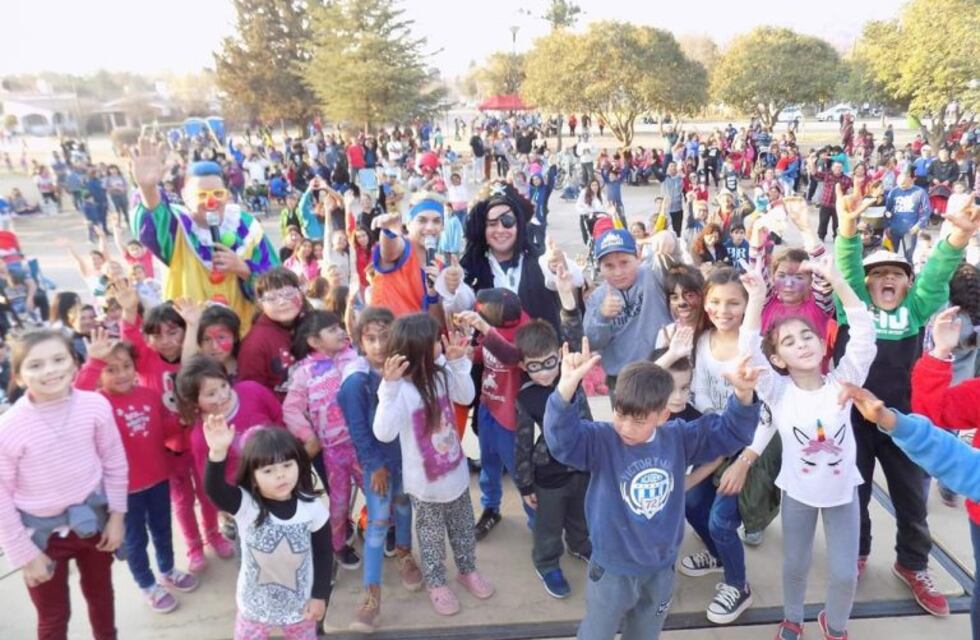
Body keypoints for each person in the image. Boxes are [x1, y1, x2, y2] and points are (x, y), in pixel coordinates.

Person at [543, 339, 763, 640]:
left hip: (660, 567)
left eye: (638, 421)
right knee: (598, 631)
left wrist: (743, 393)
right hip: (612, 568)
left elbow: (730, 433)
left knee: (646, 632)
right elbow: (562, 443)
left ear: (663, 415)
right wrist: (565, 390)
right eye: (620, 415)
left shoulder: (678, 438)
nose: (625, 428)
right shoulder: (602, 441)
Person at [833, 186, 980, 616]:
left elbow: (935, 277)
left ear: (907, 283)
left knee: (912, 501)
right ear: (866, 284)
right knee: (853, 496)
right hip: (855, 420)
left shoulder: (915, 311)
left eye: (897, 273)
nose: (888, 279)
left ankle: (912, 563)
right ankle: (858, 553)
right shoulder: (853, 310)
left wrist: (956, 239)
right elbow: (846, 268)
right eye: (878, 275)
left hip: (904, 425)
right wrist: (846, 228)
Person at [730, 258, 876, 640]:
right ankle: (793, 618)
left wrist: (838, 280)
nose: (801, 344)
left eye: (807, 336)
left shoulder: (844, 383)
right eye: (789, 342)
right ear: (777, 358)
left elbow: (863, 333)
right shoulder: (777, 392)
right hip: (798, 494)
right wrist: (757, 297)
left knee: (845, 573)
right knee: (795, 564)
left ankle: (836, 625)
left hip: (843, 494)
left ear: (821, 342)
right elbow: (748, 348)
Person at [0, 330, 128, 640]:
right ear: (18, 376)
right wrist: (24, 554)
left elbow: (114, 461)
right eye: (36, 365)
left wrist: (116, 517)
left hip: (93, 523)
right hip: (41, 537)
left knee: (102, 598)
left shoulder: (95, 406)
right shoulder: (9, 427)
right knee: (53, 616)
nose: (50, 370)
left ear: (74, 364)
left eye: (59, 359)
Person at [372, 314, 491, 616]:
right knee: (431, 537)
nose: (440, 344)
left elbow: (466, 395)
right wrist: (389, 387)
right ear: (416, 350)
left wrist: (458, 363)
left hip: (456, 476)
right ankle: (436, 582)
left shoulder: (440, 374)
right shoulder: (399, 391)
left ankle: (467, 570)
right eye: (434, 341)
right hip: (424, 486)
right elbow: (383, 432)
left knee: (463, 529)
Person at [74, 330, 199, 613]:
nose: (121, 374)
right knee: (134, 541)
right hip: (122, 492)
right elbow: (75, 398)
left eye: (127, 366)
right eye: (111, 369)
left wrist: (180, 420)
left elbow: (165, 429)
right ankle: (147, 585)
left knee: (163, 530)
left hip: (157, 479)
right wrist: (93, 362)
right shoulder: (96, 403)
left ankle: (167, 570)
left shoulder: (148, 394)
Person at [130, 138, 279, 334]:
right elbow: (152, 222)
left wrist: (243, 269)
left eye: (218, 193)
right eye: (201, 195)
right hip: (192, 342)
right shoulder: (176, 227)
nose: (211, 201)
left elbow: (278, 281)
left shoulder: (247, 228)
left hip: (242, 337)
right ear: (184, 196)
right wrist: (148, 189)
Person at [203, 422, 331, 640]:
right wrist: (217, 452)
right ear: (253, 476)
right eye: (268, 470)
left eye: (287, 465)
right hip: (254, 606)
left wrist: (319, 596)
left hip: (300, 606)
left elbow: (323, 554)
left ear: (299, 464)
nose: (281, 475)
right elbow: (214, 489)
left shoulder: (312, 508)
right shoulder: (246, 506)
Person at [513, 267, 593, 599]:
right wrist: (525, 482)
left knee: (581, 515)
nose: (546, 373)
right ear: (523, 367)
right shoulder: (526, 396)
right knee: (548, 526)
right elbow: (522, 442)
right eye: (535, 366)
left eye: (550, 363)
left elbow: (573, 334)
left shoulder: (570, 375)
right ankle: (547, 562)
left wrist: (565, 296)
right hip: (548, 474)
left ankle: (580, 544)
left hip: (583, 465)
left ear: (559, 357)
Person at [283, 311, 361, 569]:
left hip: (362, 446)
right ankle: (338, 546)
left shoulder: (355, 359)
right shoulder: (304, 373)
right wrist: (308, 436)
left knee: (379, 492)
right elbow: (291, 409)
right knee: (338, 502)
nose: (341, 332)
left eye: (340, 326)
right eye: (332, 329)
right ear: (314, 342)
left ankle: (388, 530)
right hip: (332, 452)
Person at [583, 228, 671, 394]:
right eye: (609, 266)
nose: (618, 272)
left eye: (624, 262)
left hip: (663, 368)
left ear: (637, 257)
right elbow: (592, 342)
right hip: (621, 379)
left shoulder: (653, 275)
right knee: (628, 420)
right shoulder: (597, 297)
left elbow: (676, 261)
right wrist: (602, 316)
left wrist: (668, 238)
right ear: (599, 267)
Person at [238, 268, 308, 399]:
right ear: (260, 304)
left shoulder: (312, 323)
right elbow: (250, 394)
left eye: (288, 294)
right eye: (272, 298)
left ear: (301, 293)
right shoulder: (255, 343)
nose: (282, 302)